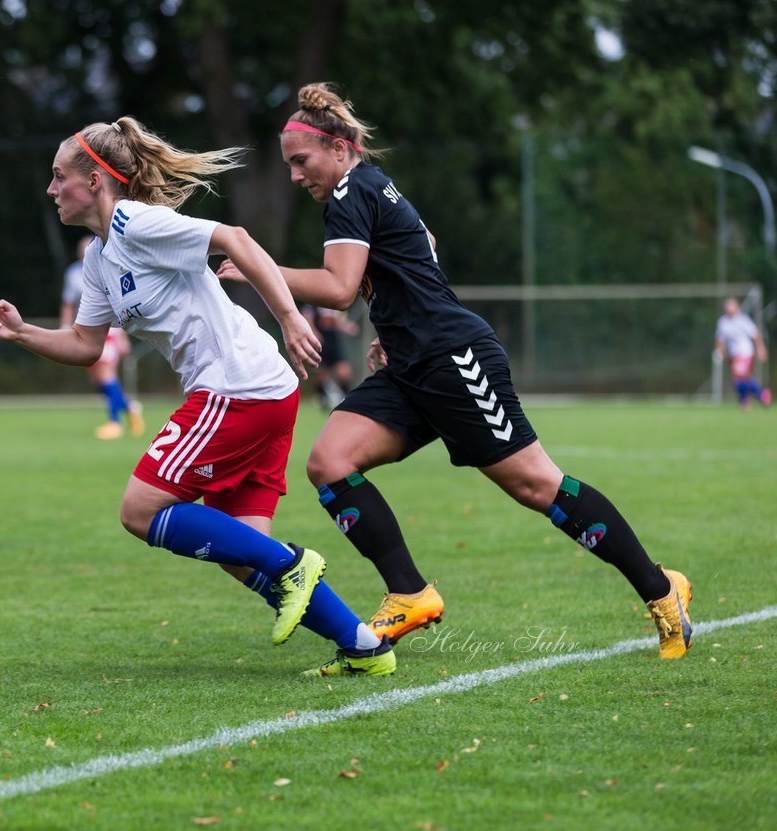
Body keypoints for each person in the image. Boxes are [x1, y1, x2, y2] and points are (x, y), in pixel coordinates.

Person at [218, 82, 692, 660]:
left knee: (537, 485)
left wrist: (257, 266)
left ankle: (662, 590)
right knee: (330, 462)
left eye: (301, 161)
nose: (295, 175)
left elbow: (340, 289)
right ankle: (409, 594)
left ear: (339, 148)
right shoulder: (370, 188)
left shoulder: (351, 188)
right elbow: (421, 247)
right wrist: (391, 328)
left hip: (454, 359)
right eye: (288, 165)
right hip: (412, 363)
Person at [0, 117, 395, 676]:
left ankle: (293, 565)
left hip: (236, 387)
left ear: (96, 182)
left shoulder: (135, 223)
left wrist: (292, 318)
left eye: (59, 177)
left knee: (140, 510)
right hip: (261, 389)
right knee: (238, 550)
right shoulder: (100, 259)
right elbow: (84, 345)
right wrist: (21, 331)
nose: (51, 189)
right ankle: (363, 646)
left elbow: (236, 240)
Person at [60, 234, 145, 438]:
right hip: (86, 327)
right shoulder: (72, 273)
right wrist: (65, 327)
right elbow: (68, 303)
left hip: (110, 329)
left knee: (106, 373)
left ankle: (114, 422)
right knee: (97, 377)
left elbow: (120, 303)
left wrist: (123, 337)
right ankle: (129, 407)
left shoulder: (109, 265)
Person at [714, 297, 771, 409]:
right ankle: (760, 395)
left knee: (738, 373)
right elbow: (720, 339)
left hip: (745, 352)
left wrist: (761, 349)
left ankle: (746, 399)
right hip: (733, 355)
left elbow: (756, 336)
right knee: (740, 379)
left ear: (736, 308)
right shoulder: (723, 322)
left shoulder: (743, 320)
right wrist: (719, 351)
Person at [302, 305, 358, 409]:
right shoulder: (312, 305)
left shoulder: (334, 305)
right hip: (320, 342)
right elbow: (307, 319)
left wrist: (348, 328)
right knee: (321, 374)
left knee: (344, 371)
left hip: (334, 341)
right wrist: (314, 333)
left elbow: (340, 322)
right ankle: (322, 397)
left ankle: (347, 398)